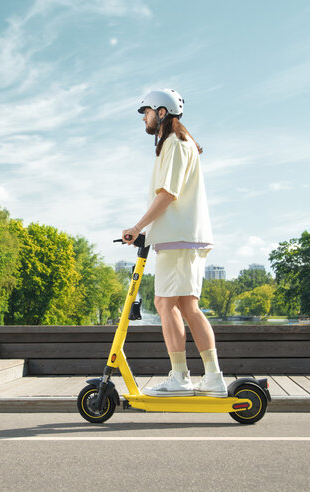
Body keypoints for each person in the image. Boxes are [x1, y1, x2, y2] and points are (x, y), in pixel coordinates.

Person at [122, 88, 227, 398]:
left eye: (146, 112)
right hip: (180, 237)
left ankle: (181, 377)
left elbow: (168, 194)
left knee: (166, 304)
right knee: (185, 305)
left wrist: (138, 227)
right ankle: (212, 377)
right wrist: (148, 231)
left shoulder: (175, 144)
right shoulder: (178, 143)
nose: (144, 117)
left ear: (162, 112)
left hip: (180, 239)